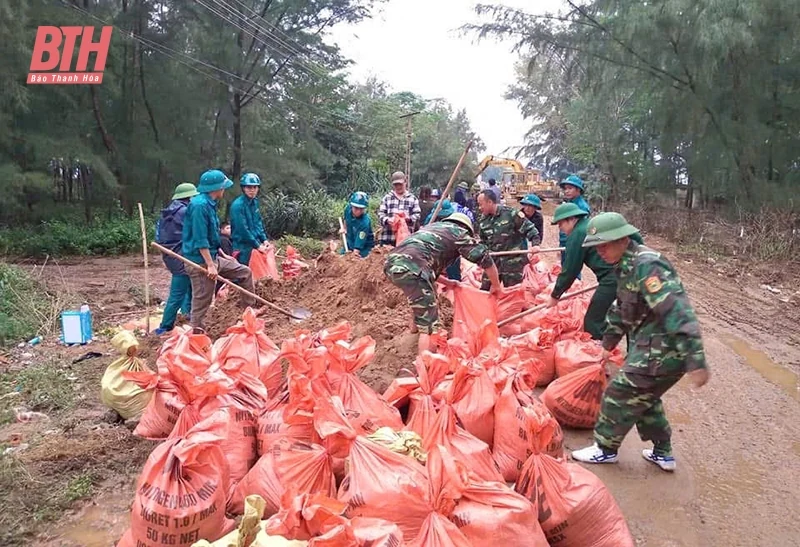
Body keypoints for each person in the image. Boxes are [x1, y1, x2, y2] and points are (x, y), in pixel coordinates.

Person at [571, 212, 710, 471]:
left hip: (664, 350)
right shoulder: (626, 266)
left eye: (604, 245)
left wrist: (696, 360)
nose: (600, 252)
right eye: (596, 247)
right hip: (649, 347)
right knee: (645, 398)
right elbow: (622, 309)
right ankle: (662, 453)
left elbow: (677, 311)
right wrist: (608, 344)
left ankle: (605, 449)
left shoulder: (648, 265)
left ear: (622, 239)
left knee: (619, 392)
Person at [384, 212, 501, 354]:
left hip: (391, 264)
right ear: (466, 228)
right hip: (414, 268)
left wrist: (448, 282)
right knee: (430, 326)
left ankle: (414, 330)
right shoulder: (458, 233)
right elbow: (485, 258)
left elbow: (425, 264)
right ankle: (427, 364)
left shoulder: (434, 228)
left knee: (421, 297)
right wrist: (496, 285)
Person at [182, 169, 259, 333]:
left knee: (244, 272)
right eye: (223, 186)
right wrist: (210, 265)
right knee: (202, 299)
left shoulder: (210, 203)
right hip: (200, 261)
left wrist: (224, 256)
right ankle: (196, 333)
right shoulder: (199, 206)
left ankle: (249, 312)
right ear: (216, 188)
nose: (224, 189)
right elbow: (200, 239)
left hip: (213, 256)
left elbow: (212, 236)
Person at [545, 203, 616, 339]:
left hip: (612, 278)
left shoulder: (577, 234)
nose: (560, 228)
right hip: (623, 273)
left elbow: (570, 270)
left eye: (561, 224)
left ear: (572, 219)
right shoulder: (588, 226)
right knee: (628, 317)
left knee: (593, 321)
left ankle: (596, 348)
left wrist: (555, 295)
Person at [153, 182, 198, 335]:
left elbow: (159, 236)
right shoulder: (185, 212)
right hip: (181, 256)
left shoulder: (168, 212)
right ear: (189, 197)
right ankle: (165, 326)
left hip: (170, 255)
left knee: (189, 286)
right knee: (178, 292)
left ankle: (186, 314)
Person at [476, 189, 541, 290]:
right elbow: (483, 241)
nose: (479, 208)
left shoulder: (511, 214)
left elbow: (531, 230)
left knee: (514, 293)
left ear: (490, 202)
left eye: (481, 204)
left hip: (513, 264)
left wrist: (535, 245)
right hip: (493, 263)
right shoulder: (483, 220)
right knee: (485, 291)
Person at [424, 198, 473, 281]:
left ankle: (454, 280)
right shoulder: (431, 219)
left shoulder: (453, 220)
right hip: (431, 249)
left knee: (453, 259)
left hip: (448, 247)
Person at [230, 172, 270, 266]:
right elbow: (242, 230)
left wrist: (264, 239)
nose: (252, 190)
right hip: (242, 246)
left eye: (255, 187)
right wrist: (257, 245)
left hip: (255, 244)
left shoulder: (254, 202)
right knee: (244, 271)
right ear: (243, 188)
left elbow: (258, 223)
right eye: (249, 187)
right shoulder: (237, 206)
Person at [558, 175, 591, 274]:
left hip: (574, 242)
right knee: (565, 268)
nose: (566, 191)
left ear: (578, 190)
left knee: (572, 269)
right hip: (565, 242)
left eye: (570, 188)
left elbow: (580, 230)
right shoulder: (569, 204)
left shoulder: (581, 207)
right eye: (565, 189)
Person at [378, 171, 421, 246]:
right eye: (396, 185)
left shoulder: (412, 198)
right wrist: (388, 220)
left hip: (406, 240)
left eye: (400, 184)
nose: (398, 187)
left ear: (405, 182)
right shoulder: (387, 198)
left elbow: (417, 215)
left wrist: (409, 218)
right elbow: (381, 214)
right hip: (388, 238)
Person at [340, 191, 375, 258]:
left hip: (364, 247)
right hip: (350, 242)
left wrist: (353, 256)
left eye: (361, 209)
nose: (358, 211)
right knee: (340, 257)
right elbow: (346, 219)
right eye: (356, 208)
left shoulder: (365, 222)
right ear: (351, 206)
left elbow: (359, 245)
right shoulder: (347, 209)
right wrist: (344, 228)